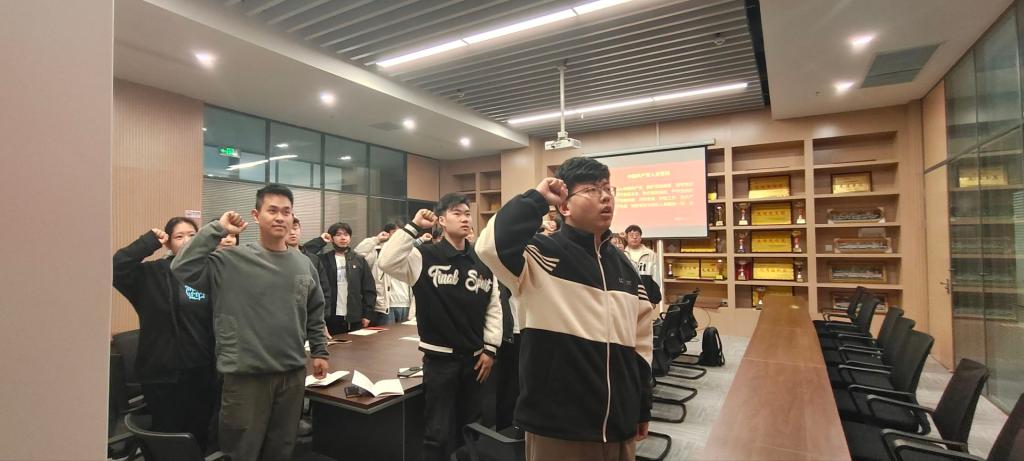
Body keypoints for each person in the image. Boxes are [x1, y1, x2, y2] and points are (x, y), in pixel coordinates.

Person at [476, 157, 655, 460]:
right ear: (565, 206)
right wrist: (536, 199)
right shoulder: (541, 255)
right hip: (558, 426)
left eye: (608, 188)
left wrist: (641, 405)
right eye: (592, 189)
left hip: (619, 424)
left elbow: (641, 344)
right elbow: (489, 246)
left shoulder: (624, 266)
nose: (605, 196)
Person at [171, 184, 330, 461]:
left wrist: (320, 351)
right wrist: (217, 229)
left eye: (286, 212)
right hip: (246, 377)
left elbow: (315, 310)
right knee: (241, 451)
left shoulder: (303, 263)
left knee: (282, 449)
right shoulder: (229, 260)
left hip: (292, 375)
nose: (280, 217)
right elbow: (182, 267)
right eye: (272, 211)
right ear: (256, 215)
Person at [377, 194, 503, 461]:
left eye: (467, 213)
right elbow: (386, 261)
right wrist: (413, 226)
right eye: (457, 213)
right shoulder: (424, 256)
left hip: (476, 361)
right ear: (442, 221)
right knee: (438, 432)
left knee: (472, 429)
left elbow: (493, 307)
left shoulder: (482, 260)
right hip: (440, 362)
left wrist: (490, 348)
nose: (465, 218)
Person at [112, 217, 217, 451]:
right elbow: (116, 267)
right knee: (168, 437)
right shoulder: (150, 275)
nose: (187, 241)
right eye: (179, 236)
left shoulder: (210, 271)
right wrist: (148, 241)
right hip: (161, 376)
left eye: (192, 235)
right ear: (168, 244)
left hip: (202, 373)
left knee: (200, 436)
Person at [303, 222, 375, 335]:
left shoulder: (359, 260)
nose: (343, 238)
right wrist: (321, 241)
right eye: (338, 234)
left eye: (346, 234)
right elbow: (303, 253)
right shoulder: (323, 260)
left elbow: (369, 288)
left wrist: (367, 314)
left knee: (358, 345)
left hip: (354, 317)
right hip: (331, 317)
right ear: (331, 238)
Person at [353, 224, 412, 325]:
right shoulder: (377, 252)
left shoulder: (407, 252)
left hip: (406, 304)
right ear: (387, 234)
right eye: (396, 232)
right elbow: (358, 253)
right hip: (386, 306)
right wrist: (376, 239)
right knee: (386, 335)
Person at [287, 217, 331, 316]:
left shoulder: (313, 259)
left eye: (295, 228)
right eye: (288, 228)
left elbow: (324, 290)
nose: (292, 232)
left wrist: (323, 316)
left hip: (310, 317)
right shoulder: (275, 258)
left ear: (300, 230)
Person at [623, 225, 663, 306]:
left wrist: (653, 300)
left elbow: (656, 278)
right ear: (626, 238)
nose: (634, 237)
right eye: (631, 235)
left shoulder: (650, 254)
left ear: (641, 238)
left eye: (637, 235)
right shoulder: (622, 254)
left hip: (647, 298)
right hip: (627, 298)